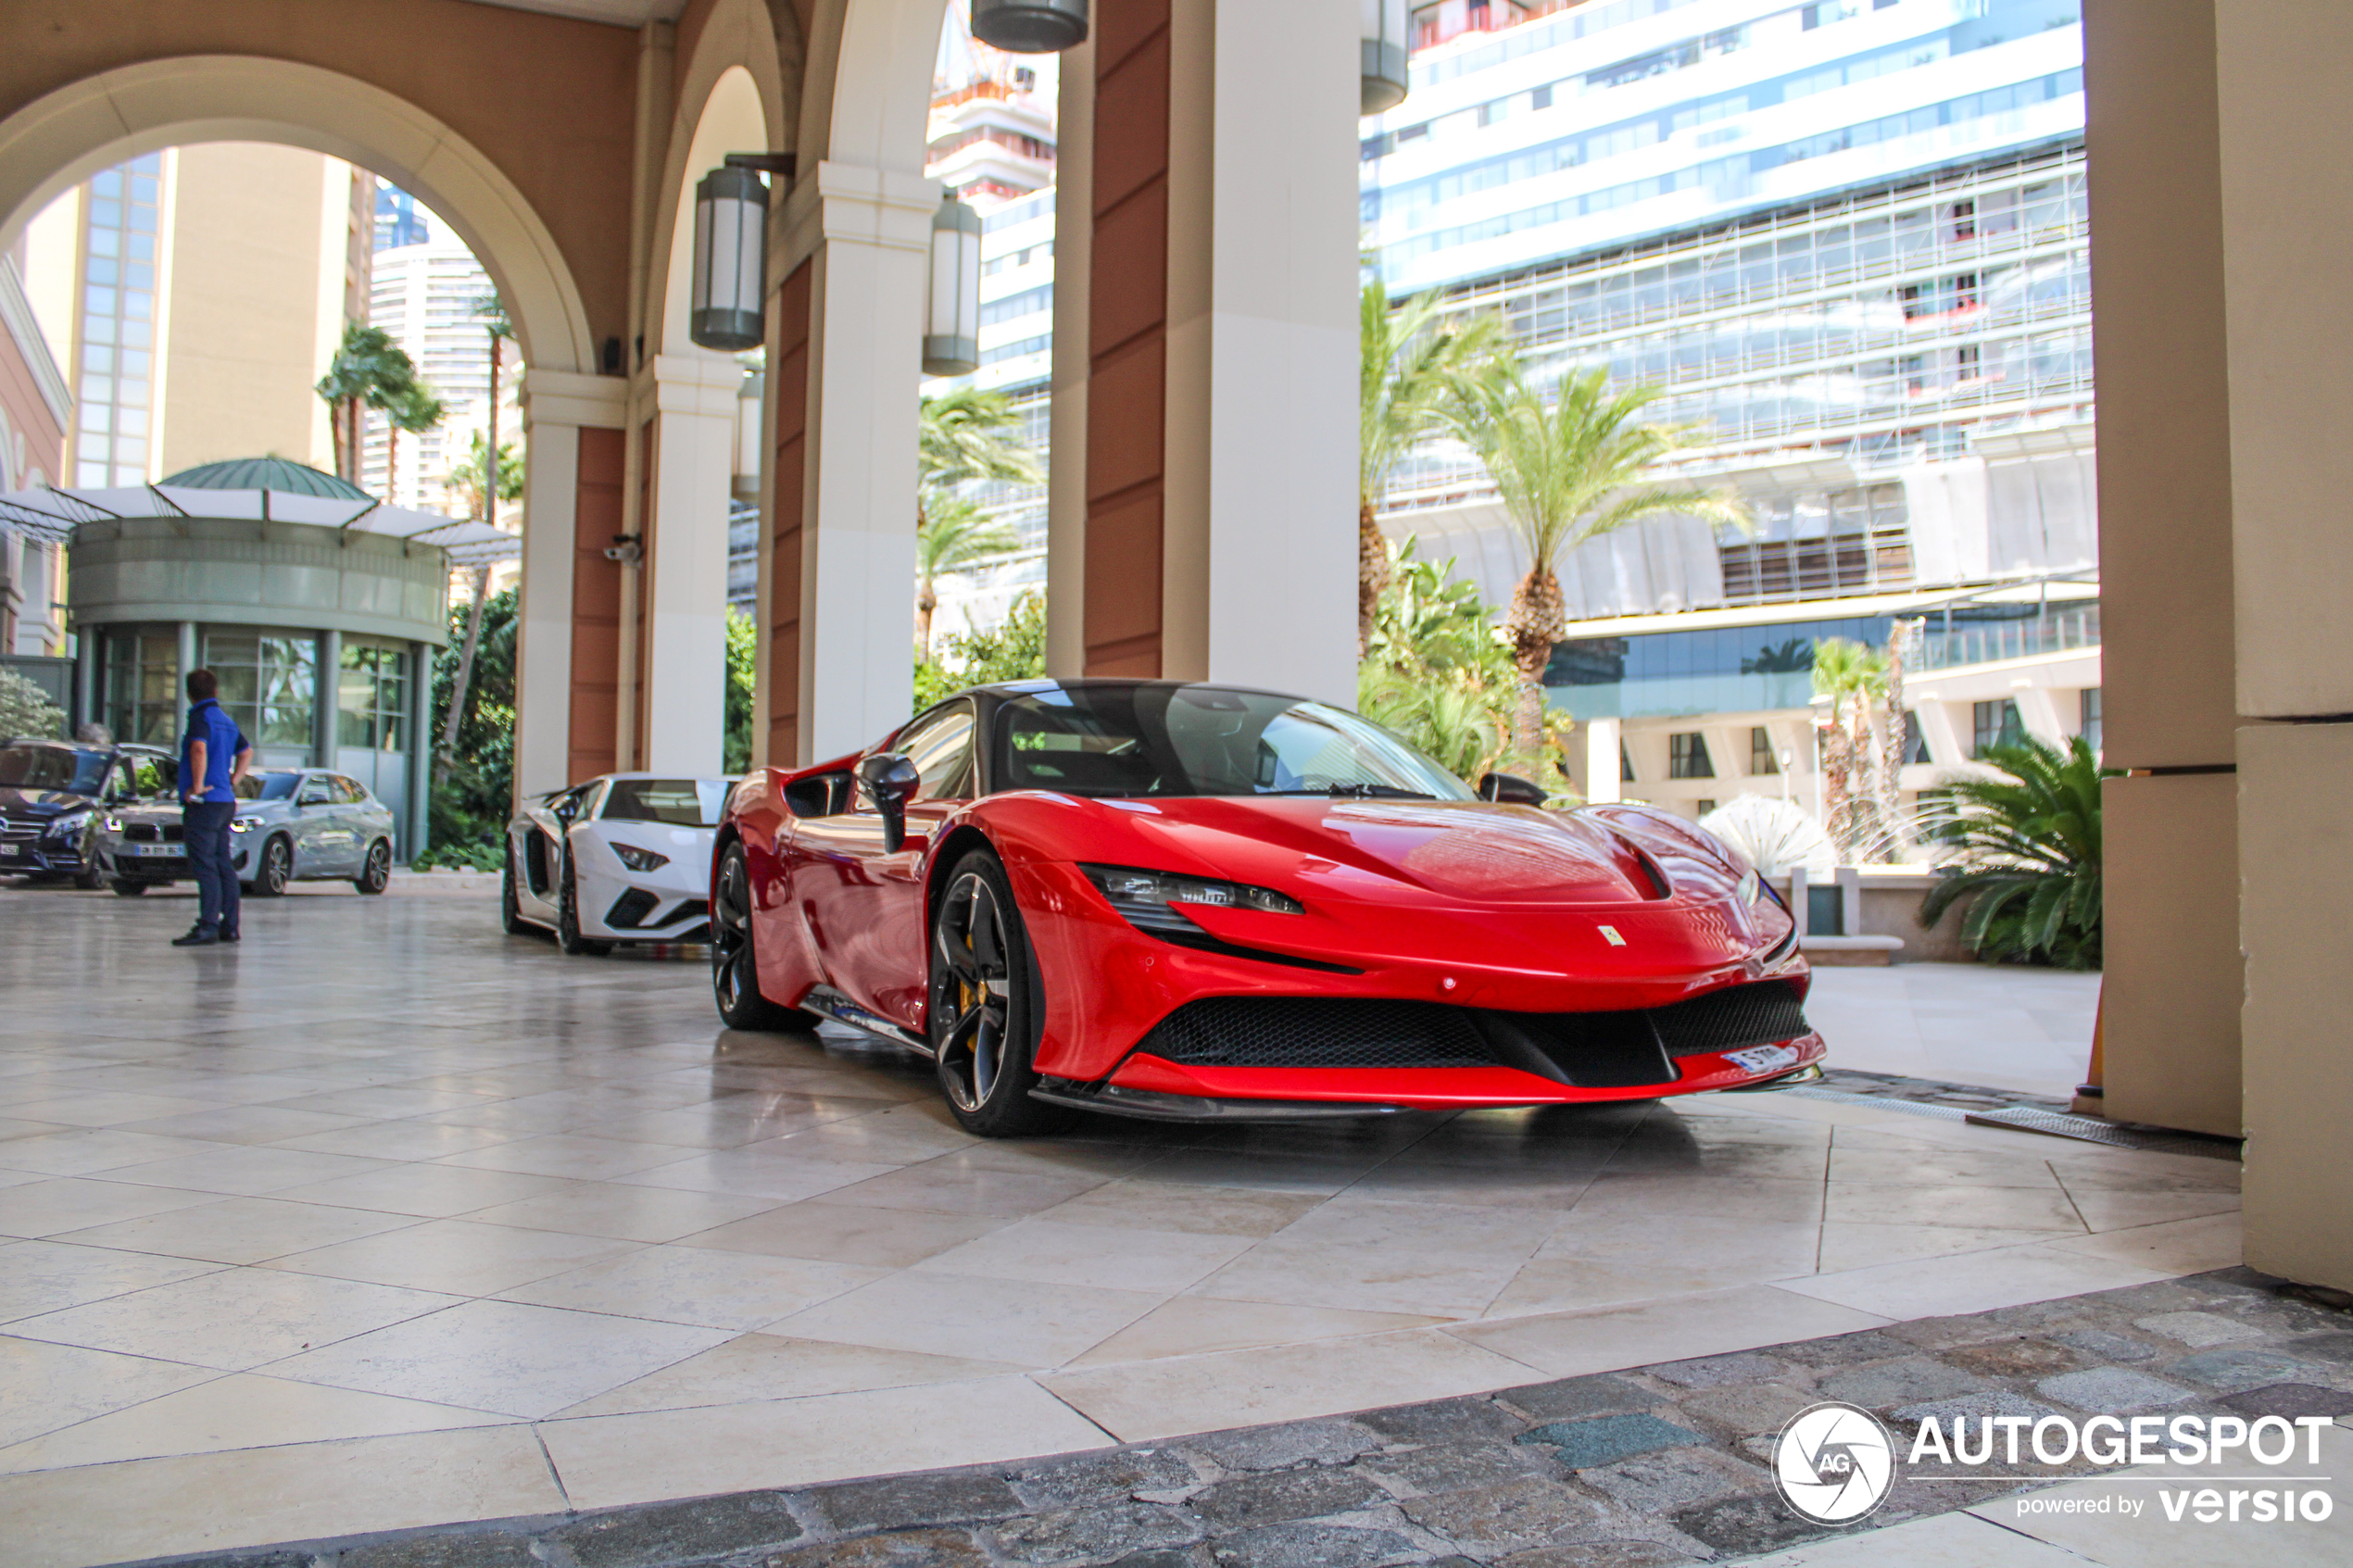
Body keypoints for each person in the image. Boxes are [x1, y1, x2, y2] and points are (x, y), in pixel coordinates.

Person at [174, 669, 252, 947]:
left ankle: (207, 925)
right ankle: (230, 926)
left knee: (205, 865)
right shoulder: (226, 721)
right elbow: (246, 751)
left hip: (204, 803)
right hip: (224, 801)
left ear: (188, 693)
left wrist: (196, 786)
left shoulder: (200, 717)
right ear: (216, 691)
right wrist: (235, 779)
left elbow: (198, 748)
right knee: (223, 865)